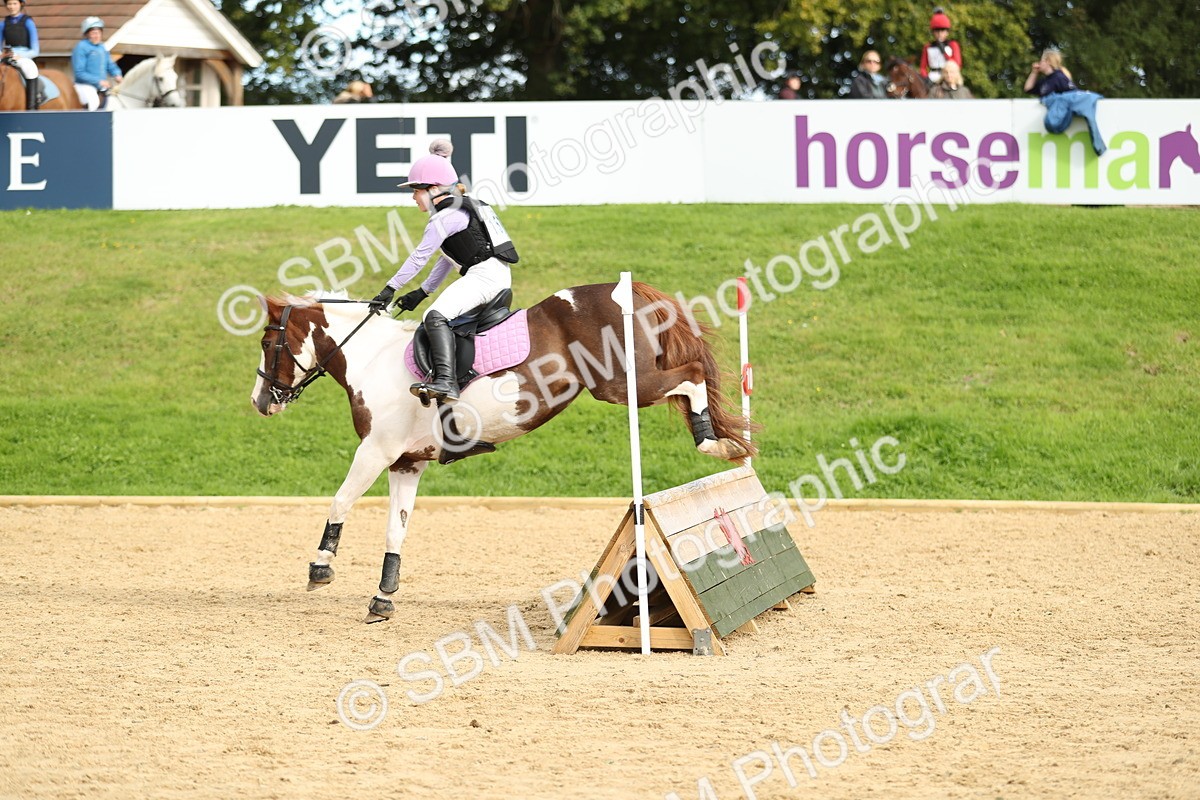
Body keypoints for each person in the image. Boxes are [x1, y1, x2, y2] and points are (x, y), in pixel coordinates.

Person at [370, 139, 520, 403]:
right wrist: (423, 290)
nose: (413, 196)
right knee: (436, 310)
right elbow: (447, 259)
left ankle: (446, 382)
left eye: (416, 190)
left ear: (434, 189)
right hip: (491, 274)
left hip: (485, 276)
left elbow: (419, 258)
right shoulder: (457, 208)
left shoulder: (444, 216)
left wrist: (389, 289)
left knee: (434, 315)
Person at [1024, 48, 1105, 155]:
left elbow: (1073, 96)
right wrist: (1034, 72)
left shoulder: (1059, 77)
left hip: (1059, 120)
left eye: (1041, 60)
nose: (1039, 63)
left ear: (1048, 61)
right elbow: (1028, 88)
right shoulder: (1045, 81)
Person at [72, 16, 121, 110]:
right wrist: (98, 81)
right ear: (87, 34)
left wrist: (117, 74)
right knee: (94, 102)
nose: (97, 35)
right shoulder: (81, 47)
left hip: (100, 86)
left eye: (98, 32)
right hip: (85, 86)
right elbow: (79, 73)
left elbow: (110, 65)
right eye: (93, 33)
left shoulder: (102, 48)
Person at [2, 0, 41, 110]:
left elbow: (35, 50)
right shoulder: (3, 24)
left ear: (20, 5)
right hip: (7, 55)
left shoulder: (28, 22)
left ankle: (32, 106)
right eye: (9, 4)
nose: (11, 6)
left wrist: (20, 55)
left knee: (31, 70)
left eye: (14, 4)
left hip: (23, 56)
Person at [919, 7, 962, 85]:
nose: (939, 34)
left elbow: (957, 64)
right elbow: (922, 67)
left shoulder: (953, 45)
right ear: (933, 32)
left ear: (947, 32)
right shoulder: (928, 47)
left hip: (949, 77)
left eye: (942, 31)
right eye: (937, 31)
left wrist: (944, 52)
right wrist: (925, 77)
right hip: (932, 78)